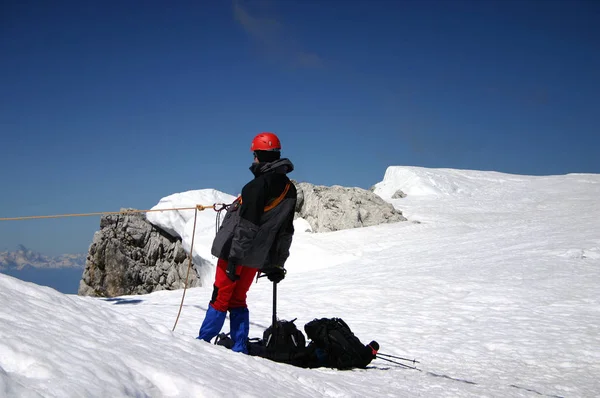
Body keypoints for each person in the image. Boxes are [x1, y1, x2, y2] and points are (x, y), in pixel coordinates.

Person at [197, 132, 297, 354]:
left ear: (260, 154)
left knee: (220, 296)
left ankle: (202, 344)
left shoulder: (256, 186)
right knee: (238, 298)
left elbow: (247, 226)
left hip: (236, 253)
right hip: (255, 257)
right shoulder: (289, 189)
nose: (253, 160)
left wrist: (233, 259)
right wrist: (277, 263)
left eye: (254, 155)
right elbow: (285, 231)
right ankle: (239, 346)